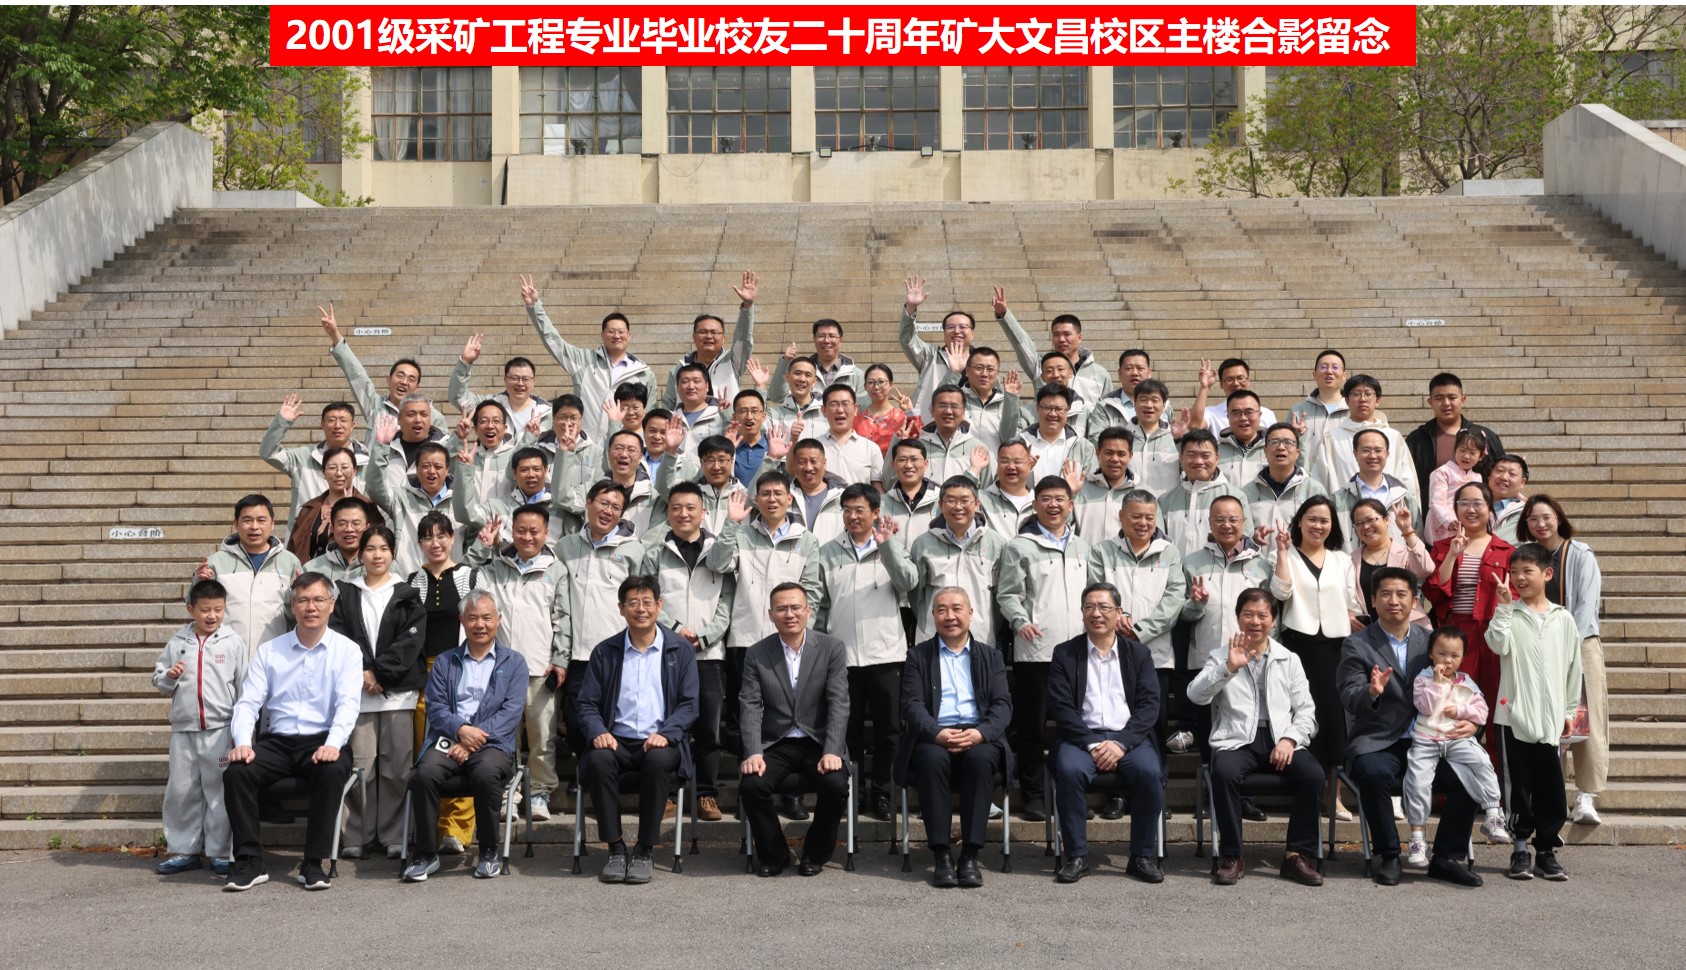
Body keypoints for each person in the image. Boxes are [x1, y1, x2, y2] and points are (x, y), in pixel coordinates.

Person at [1337, 566, 1483, 887]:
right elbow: (1348, 695)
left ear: (1414, 601)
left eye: (1401, 594)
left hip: (1430, 738)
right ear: (1373, 600)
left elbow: (1463, 686)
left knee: (1469, 775)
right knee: (1373, 774)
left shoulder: (1431, 641)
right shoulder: (1356, 644)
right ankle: (1390, 855)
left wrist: (1473, 724)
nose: (1394, 601)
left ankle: (1445, 858)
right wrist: (1371, 691)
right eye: (1386, 594)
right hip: (1379, 739)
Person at [222, 573, 362, 892]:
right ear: (293, 606)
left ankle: (313, 863)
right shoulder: (270, 651)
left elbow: (348, 705)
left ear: (331, 604)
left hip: (324, 738)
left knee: (330, 771)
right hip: (278, 742)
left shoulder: (347, 651)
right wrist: (243, 742)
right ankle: (250, 861)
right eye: (303, 600)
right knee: (237, 772)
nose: (311, 607)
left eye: (318, 600)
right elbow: (248, 702)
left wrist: (333, 743)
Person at [707, 471, 824, 819]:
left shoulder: (806, 540)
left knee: (789, 714)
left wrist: (801, 633)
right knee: (746, 716)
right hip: (745, 638)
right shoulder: (742, 533)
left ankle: (792, 794)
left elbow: (813, 591)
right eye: (765, 494)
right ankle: (751, 791)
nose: (772, 499)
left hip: (791, 643)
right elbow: (717, 563)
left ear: (790, 499)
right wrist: (731, 523)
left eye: (778, 493)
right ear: (756, 500)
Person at [1188, 589, 1323, 886]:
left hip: (1281, 739)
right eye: (1248, 614)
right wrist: (1227, 669)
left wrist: (1290, 740)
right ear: (1238, 617)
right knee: (1224, 772)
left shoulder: (1289, 659)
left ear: (1273, 620)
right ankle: (1232, 855)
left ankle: (1296, 856)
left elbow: (1306, 711)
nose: (1255, 621)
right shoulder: (1220, 655)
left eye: (1263, 615)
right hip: (1237, 740)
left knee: (1313, 775)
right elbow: (1195, 695)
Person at [577, 575, 700, 885]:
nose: (640, 609)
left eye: (647, 602)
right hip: (615, 740)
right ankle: (615, 848)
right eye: (633, 603)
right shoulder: (606, 651)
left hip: (660, 740)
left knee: (658, 761)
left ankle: (645, 849)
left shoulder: (679, 650)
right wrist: (598, 731)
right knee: (598, 760)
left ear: (659, 606)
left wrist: (667, 734)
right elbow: (587, 704)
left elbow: (689, 705)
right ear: (621, 608)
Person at [1045, 582, 1166, 884]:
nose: (1096, 614)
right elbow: (1061, 707)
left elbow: (1149, 706)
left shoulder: (1138, 654)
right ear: (1082, 612)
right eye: (1089, 607)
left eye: (1103, 607)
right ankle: (1076, 856)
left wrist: (1121, 744)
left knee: (1150, 773)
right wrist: (1092, 743)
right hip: (1081, 738)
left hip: (1128, 739)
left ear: (1119, 612)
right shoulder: (1065, 653)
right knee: (1069, 772)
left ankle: (1140, 857)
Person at [402, 589, 526, 882]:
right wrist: (460, 731)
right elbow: (436, 707)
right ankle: (426, 854)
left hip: (493, 745)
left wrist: (471, 742)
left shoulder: (514, 662)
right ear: (461, 621)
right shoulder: (445, 661)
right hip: (449, 738)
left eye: (486, 618)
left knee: (485, 773)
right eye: (472, 618)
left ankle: (488, 851)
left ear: (498, 619)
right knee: (425, 774)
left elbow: (510, 713)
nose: (480, 624)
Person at [897, 587, 1013, 888]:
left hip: (978, 733)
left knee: (982, 759)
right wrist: (936, 733)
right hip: (934, 735)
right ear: (933, 616)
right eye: (942, 610)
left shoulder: (991, 656)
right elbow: (911, 705)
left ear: (971, 613)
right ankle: (942, 856)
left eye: (957, 609)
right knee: (931, 760)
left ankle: (970, 855)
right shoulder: (918, 656)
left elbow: (1002, 705)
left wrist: (981, 733)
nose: (950, 616)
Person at [816, 485, 918, 821]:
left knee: (890, 730)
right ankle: (853, 792)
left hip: (886, 654)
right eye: (846, 510)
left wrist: (886, 547)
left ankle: (883, 794)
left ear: (875, 512)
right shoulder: (828, 552)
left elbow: (908, 583)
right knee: (849, 732)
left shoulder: (891, 546)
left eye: (859, 509)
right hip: (842, 656)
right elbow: (821, 604)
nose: (852, 516)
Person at [996, 476, 1093, 821]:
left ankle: (1074, 794)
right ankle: (1034, 795)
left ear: (1071, 505)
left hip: (1078, 653)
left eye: (1060, 499)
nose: (1054, 505)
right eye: (1046, 499)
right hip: (1035, 652)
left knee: (1076, 727)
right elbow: (1007, 594)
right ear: (1035, 505)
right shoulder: (1021, 546)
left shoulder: (1082, 547)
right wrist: (1020, 621)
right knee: (1033, 729)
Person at [739, 584, 851, 877]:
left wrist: (832, 750)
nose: (789, 614)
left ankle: (815, 853)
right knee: (752, 785)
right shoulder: (757, 653)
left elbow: (839, 702)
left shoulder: (832, 648)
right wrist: (753, 752)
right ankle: (775, 854)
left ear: (808, 611)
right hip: (777, 742)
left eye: (795, 607)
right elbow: (750, 705)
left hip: (818, 741)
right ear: (771, 614)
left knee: (836, 784)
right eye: (782, 609)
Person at [328, 526, 426, 859]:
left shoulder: (407, 593)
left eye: (384, 548)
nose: (377, 555)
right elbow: (339, 636)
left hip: (398, 694)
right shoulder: (345, 593)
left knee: (397, 767)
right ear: (361, 554)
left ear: (393, 553)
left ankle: (394, 834)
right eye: (370, 549)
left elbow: (410, 641)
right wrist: (363, 673)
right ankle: (357, 833)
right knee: (361, 766)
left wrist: (379, 672)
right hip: (359, 694)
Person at [1488, 543, 1584, 881]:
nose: (1519, 578)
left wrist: (1569, 710)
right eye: (1514, 572)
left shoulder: (1563, 618)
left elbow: (1573, 668)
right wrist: (1503, 608)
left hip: (1551, 720)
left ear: (1547, 573)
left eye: (1527, 571)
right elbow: (1497, 644)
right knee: (1518, 787)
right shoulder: (1509, 613)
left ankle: (1545, 850)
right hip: (1513, 717)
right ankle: (1519, 848)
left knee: (1551, 788)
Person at [641, 482, 735, 822]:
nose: (683, 514)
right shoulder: (656, 552)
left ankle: (706, 794)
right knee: (667, 725)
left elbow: (727, 601)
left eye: (691, 508)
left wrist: (706, 637)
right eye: (676, 507)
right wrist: (676, 629)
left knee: (709, 730)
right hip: (667, 653)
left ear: (703, 512)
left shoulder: (718, 550)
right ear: (668, 512)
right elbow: (648, 599)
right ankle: (668, 793)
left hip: (709, 656)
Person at [1265, 496, 1363, 820]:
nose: (1318, 526)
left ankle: (1334, 796)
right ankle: (1306, 789)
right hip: (1298, 644)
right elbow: (1281, 592)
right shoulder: (1285, 554)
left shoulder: (1341, 559)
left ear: (1332, 525)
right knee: (1300, 714)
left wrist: (1354, 617)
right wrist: (1282, 552)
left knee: (1333, 720)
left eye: (1324, 520)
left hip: (1334, 646)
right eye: (1311, 519)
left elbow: (1350, 600)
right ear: (1299, 522)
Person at [470, 505, 570, 822]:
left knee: (542, 736)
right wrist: (482, 548)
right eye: (521, 530)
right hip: (499, 670)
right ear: (512, 531)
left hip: (540, 669)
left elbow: (563, 618)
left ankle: (539, 793)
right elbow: (468, 583)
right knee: (502, 738)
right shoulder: (496, 567)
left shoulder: (555, 570)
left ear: (546, 533)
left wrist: (560, 659)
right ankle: (506, 794)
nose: (527, 537)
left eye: (534, 531)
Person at [1520, 495, 1606, 825]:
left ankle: (1586, 795)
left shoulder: (1580, 553)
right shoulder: (1527, 556)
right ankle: (1550, 793)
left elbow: (1586, 604)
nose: (1540, 524)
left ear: (1558, 518)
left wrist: (1567, 643)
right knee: (1545, 719)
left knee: (1587, 717)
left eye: (1546, 517)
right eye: (1533, 519)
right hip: (1537, 646)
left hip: (1580, 645)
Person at [153, 580, 249, 876]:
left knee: (219, 792)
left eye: (218, 609)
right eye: (205, 610)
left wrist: (241, 733)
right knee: (181, 791)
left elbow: (244, 687)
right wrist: (169, 676)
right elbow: (159, 681)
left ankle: (220, 852)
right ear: (190, 609)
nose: (212, 615)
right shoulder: (177, 642)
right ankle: (184, 850)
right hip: (184, 730)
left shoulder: (232, 642)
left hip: (220, 730)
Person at [550, 481, 649, 762]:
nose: (608, 511)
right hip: (580, 654)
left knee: (615, 716)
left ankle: (607, 772)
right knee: (576, 719)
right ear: (588, 503)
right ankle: (585, 772)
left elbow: (641, 601)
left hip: (620, 651)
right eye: (603, 503)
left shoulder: (633, 549)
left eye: (616, 507)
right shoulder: (566, 547)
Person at [1401, 627, 1511, 868]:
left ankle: (1493, 814)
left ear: (1462, 658)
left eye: (1454, 655)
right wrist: (1437, 684)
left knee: (1482, 762)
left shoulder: (1467, 682)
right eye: (1442, 654)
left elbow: (1482, 712)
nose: (1447, 660)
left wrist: (1462, 711)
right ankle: (1417, 839)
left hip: (1457, 739)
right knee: (1417, 781)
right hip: (1426, 740)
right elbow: (1425, 707)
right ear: (1431, 653)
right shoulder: (1423, 679)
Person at [406, 510, 482, 853]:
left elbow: (480, 624)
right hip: (424, 674)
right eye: (427, 537)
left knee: (461, 743)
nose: (434, 543)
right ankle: (430, 825)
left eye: (441, 535)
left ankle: (457, 829)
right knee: (429, 748)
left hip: (461, 668)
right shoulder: (412, 582)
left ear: (453, 538)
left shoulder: (470, 576)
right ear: (420, 543)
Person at [1087, 490, 1187, 749]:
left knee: (1155, 726)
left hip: (1157, 655)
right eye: (1136, 516)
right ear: (1121, 516)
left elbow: (1174, 600)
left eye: (1149, 517)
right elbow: (1096, 592)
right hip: (1111, 652)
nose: (1143, 523)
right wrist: (1118, 617)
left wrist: (1140, 630)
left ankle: (1156, 773)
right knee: (1116, 724)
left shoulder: (1169, 552)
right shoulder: (1102, 551)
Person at [1172, 496, 1271, 755]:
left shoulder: (1261, 564)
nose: (1226, 525)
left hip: (1250, 658)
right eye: (1219, 520)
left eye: (1233, 519)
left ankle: (1242, 777)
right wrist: (1196, 604)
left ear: (1244, 522)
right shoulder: (1192, 563)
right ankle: (1210, 776)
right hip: (1206, 655)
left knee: (1246, 725)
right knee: (1208, 730)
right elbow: (1183, 613)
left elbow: (1272, 615)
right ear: (1209, 523)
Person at [1424, 481, 1515, 761]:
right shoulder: (1442, 547)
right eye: (1464, 503)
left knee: (1493, 705)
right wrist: (1453, 554)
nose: (1471, 509)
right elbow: (1434, 592)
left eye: (1478, 503)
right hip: (1454, 637)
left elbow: (1514, 597)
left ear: (1490, 509)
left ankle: (1496, 779)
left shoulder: (1505, 550)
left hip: (1491, 636)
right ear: (1455, 509)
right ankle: (1453, 778)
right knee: (1452, 702)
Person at [519, 274, 655, 438]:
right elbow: (554, 341)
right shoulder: (583, 360)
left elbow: (649, 416)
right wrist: (535, 307)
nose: (616, 336)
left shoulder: (644, 373)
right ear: (602, 335)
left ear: (629, 336)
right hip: (585, 444)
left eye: (621, 332)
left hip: (623, 446)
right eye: (611, 332)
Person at [194, 494, 303, 658]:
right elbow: (194, 606)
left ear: (272, 523)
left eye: (261, 520)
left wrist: (300, 594)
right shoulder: (215, 563)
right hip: (226, 656)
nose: (254, 527)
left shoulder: (290, 563)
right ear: (236, 524)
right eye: (247, 520)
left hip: (275, 655)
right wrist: (199, 582)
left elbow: (297, 613)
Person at [909, 476, 1008, 646]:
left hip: (980, 638)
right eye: (951, 501)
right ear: (940, 505)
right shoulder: (923, 543)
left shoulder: (995, 543)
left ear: (977, 504)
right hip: (932, 637)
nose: (958, 507)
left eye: (964, 500)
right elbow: (916, 595)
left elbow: (1000, 597)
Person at [319, 303, 446, 431]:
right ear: (388, 380)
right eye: (400, 375)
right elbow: (356, 374)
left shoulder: (433, 417)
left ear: (417, 388)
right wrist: (334, 334)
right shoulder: (375, 407)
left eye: (411, 379)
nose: (404, 382)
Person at [367, 415, 456, 577]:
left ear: (447, 469)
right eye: (425, 466)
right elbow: (375, 486)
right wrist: (381, 447)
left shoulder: (459, 500)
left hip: (452, 580)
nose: (431, 471)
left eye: (438, 466)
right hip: (409, 579)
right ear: (417, 469)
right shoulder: (401, 498)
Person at [261, 396, 367, 526]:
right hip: (306, 535)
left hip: (351, 533)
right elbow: (268, 453)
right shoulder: (303, 458)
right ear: (322, 424)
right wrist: (281, 423)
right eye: (331, 420)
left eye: (343, 420)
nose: (337, 426)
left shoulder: (367, 461)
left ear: (353, 425)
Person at [995, 288, 1112, 406]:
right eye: (1056, 334)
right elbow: (1021, 343)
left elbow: (1107, 411)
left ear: (1079, 337)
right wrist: (1005, 315)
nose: (1061, 339)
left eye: (1067, 334)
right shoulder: (1041, 366)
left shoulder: (1100, 374)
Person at [1404, 373, 1506, 508]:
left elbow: (1501, 474)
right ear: (1430, 402)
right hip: (1434, 517)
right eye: (1439, 398)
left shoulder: (1485, 437)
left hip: (1478, 514)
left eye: (1452, 397)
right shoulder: (1417, 440)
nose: (1446, 403)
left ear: (1463, 399)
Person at [660, 271, 759, 410]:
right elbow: (669, 404)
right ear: (694, 337)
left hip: (726, 422)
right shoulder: (681, 367)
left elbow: (743, 340)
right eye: (703, 332)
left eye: (714, 332)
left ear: (723, 338)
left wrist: (747, 306)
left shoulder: (733, 361)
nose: (708, 336)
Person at [1309, 375, 1416, 500]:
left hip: (1389, 509)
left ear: (1377, 400)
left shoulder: (1394, 437)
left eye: (1368, 394)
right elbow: (1319, 481)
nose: (1362, 399)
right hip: (1345, 509)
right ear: (1347, 401)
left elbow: (1408, 482)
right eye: (1356, 394)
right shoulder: (1332, 439)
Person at [1158, 429, 1247, 557]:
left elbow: (1244, 544)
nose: (1199, 461)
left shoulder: (1236, 497)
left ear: (1217, 458)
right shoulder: (1165, 501)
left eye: (1205, 455)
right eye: (1191, 455)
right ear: (1181, 457)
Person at [899, 275, 977, 414]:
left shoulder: (981, 360)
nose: (956, 331)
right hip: (928, 422)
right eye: (951, 327)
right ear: (944, 332)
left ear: (972, 333)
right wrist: (911, 307)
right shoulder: (930, 355)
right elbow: (907, 339)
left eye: (962, 327)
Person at [893, 384, 994, 490]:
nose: (948, 411)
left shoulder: (977, 449)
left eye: (954, 406)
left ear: (963, 413)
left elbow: (986, 491)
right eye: (942, 405)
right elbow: (891, 483)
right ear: (932, 410)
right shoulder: (918, 447)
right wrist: (898, 446)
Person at [1350, 498, 1433, 627]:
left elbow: (1426, 568)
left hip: (1409, 628)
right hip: (1369, 632)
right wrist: (1348, 614)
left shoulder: (1406, 553)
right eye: (1359, 523)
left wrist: (1407, 530)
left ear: (1386, 520)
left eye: (1371, 520)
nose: (1366, 526)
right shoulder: (1351, 560)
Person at [1330, 427, 1423, 541]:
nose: (1372, 456)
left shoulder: (1404, 498)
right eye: (1366, 450)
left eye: (1378, 450)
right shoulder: (1338, 500)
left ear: (1387, 454)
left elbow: (1418, 541)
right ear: (1355, 453)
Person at [450, 335, 551, 434]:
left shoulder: (547, 412)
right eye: (514, 378)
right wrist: (465, 362)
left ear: (533, 382)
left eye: (526, 379)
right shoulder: (490, 405)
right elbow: (459, 397)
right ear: (505, 381)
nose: (520, 383)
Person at [288, 446, 371, 562]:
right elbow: (293, 549)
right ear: (323, 472)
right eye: (332, 468)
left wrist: (348, 506)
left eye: (345, 467)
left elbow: (375, 546)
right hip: (310, 572)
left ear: (354, 471)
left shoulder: (368, 507)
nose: (339, 473)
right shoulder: (309, 508)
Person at [1241, 423, 1328, 533]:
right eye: (1274, 442)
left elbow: (1322, 531)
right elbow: (1242, 534)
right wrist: (1254, 539)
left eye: (1288, 442)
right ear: (1265, 451)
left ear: (1297, 453)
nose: (1281, 447)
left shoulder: (1314, 490)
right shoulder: (1247, 493)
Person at [1010, 384, 1097, 484]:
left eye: (1058, 409)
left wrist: (1074, 491)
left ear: (1067, 410)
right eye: (1047, 408)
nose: (1053, 413)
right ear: (1038, 408)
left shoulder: (1084, 448)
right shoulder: (1019, 443)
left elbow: (1094, 486)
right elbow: (1003, 483)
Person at [1426, 429, 1494, 544]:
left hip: (1469, 524)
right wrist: (1449, 521)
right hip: (1445, 525)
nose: (1466, 456)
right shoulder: (1442, 472)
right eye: (1462, 450)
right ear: (1455, 449)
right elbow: (1436, 502)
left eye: (1472, 453)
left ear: (1481, 456)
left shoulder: (1477, 477)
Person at [769, 319, 867, 399]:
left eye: (832, 336)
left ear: (840, 341)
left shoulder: (856, 375)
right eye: (821, 336)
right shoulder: (802, 373)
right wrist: (785, 362)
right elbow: (777, 397)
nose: (826, 340)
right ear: (814, 339)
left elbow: (863, 407)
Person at [1286, 349, 1349, 466]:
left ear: (1344, 375)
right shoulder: (1298, 411)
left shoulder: (1354, 410)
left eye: (1335, 367)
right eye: (1323, 367)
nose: (1329, 371)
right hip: (1307, 476)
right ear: (1314, 374)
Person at [1072, 427, 1136, 541]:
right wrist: (1070, 495)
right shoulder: (1080, 490)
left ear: (1130, 456)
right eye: (1109, 453)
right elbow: (1061, 528)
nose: (1115, 459)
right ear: (1098, 453)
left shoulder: (1139, 494)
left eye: (1121, 454)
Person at [817, 383, 885, 486]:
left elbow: (877, 487)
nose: (840, 410)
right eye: (834, 404)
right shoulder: (814, 447)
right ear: (824, 410)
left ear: (855, 409)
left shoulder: (871, 448)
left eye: (845, 404)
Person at [880, 438, 942, 551]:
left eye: (914, 459)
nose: (908, 465)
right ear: (893, 465)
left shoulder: (941, 501)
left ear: (926, 464)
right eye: (902, 460)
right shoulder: (881, 504)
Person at [1125, 379, 1182, 498]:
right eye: (1143, 399)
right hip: (1130, 506)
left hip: (1165, 507)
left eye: (1155, 400)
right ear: (1134, 403)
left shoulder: (1175, 439)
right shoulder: (1122, 438)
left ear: (1164, 406)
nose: (1149, 405)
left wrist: (1180, 441)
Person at [786, 438, 848, 544]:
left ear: (824, 463)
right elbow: (757, 502)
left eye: (814, 461)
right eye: (802, 462)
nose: (808, 468)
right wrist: (771, 459)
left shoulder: (843, 497)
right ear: (794, 465)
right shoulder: (784, 497)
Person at [302, 496, 372, 584]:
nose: (349, 529)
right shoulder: (312, 569)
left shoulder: (381, 565)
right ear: (332, 528)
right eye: (342, 523)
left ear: (367, 528)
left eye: (356, 523)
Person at [1085, 348, 1153, 438]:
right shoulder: (1104, 407)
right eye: (1128, 368)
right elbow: (1095, 438)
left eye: (1140, 368)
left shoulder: (1163, 406)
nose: (1135, 373)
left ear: (1149, 373)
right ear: (1119, 373)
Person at [1201, 359, 1279, 436]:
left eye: (1240, 378)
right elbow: (1196, 426)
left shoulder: (1267, 415)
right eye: (1229, 379)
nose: (1236, 383)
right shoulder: (1210, 413)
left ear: (1248, 381)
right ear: (1221, 384)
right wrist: (1205, 387)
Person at [979, 438, 1038, 535]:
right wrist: (973, 471)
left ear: (1029, 465)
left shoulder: (1039, 502)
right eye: (1004, 461)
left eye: (1017, 462)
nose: (1011, 466)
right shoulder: (982, 499)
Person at [1212, 390, 1270, 486]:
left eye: (1249, 412)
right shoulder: (1215, 453)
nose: (1243, 418)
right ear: (1228, 417)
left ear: (1259, 415)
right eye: (1236, 413)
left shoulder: (1274, 450)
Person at [959, 346, 1011, 451]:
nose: (984, 374)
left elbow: (1010, 439)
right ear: (967, 370)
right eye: (979, 368)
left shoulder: (1006, 404)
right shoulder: (957, 400)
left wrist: (1011, 400)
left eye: (990, 369)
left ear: (997, 373)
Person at [854, 363, 913, 456]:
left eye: (881, 382)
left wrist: (911, 412)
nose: (876, 387)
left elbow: (918, 439)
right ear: (865, 387)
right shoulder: (856, 420)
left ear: (891, 385)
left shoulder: (902, 417)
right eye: (871, 382)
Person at [1487, 454, 1530, 543]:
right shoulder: (1471, 504)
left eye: (1512, 474)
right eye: (1500, 471)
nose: (1504, 477)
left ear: (1522, 482)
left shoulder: (1526, 514)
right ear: (1489, 475)